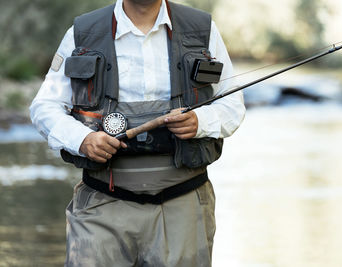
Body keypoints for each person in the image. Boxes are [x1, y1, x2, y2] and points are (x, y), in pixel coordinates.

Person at [30, 0, 245, 266]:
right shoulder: (83, 32)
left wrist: (201, 120)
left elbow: (233, 104)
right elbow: (45, 106)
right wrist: (83, 140)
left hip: (184, 208)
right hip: (102, 205)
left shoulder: (202, 28)